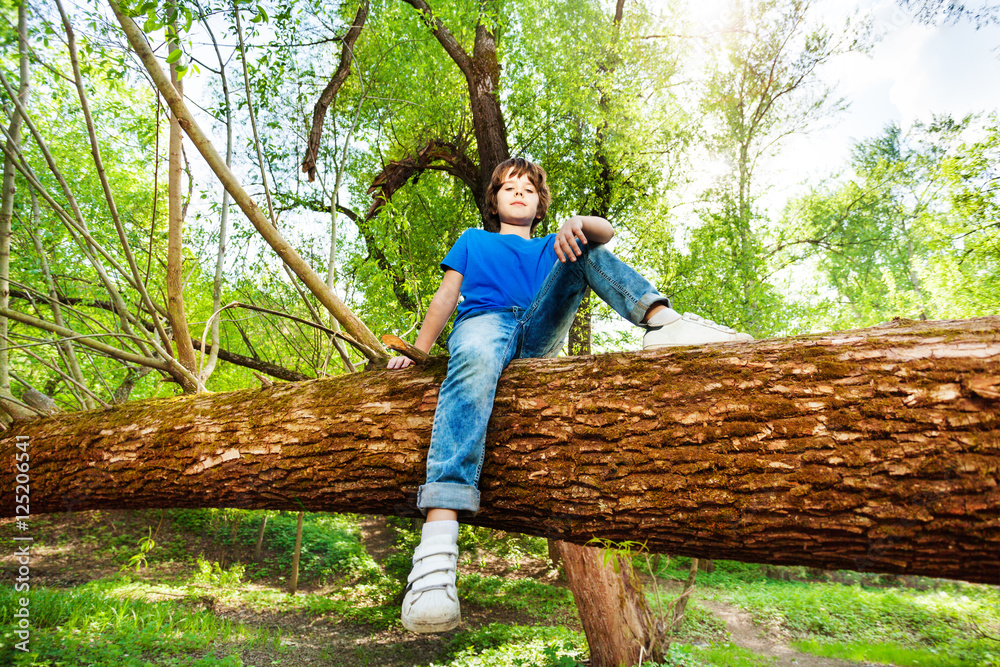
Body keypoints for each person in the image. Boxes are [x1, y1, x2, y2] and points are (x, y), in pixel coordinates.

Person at [386, 157, 752, 633]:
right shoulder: (473, 241)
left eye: (528, 190)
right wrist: (417, 350)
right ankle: (436, 549)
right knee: (472, 361)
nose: (518, 193)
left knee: (586, 248)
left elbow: (606, 231)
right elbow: (445, 297)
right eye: (509, 187)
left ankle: (663, 323)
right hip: (484, 323)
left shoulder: (551, 244)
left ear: (539, 206)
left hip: (537, 325)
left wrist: (576, 224)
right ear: (494, 202)